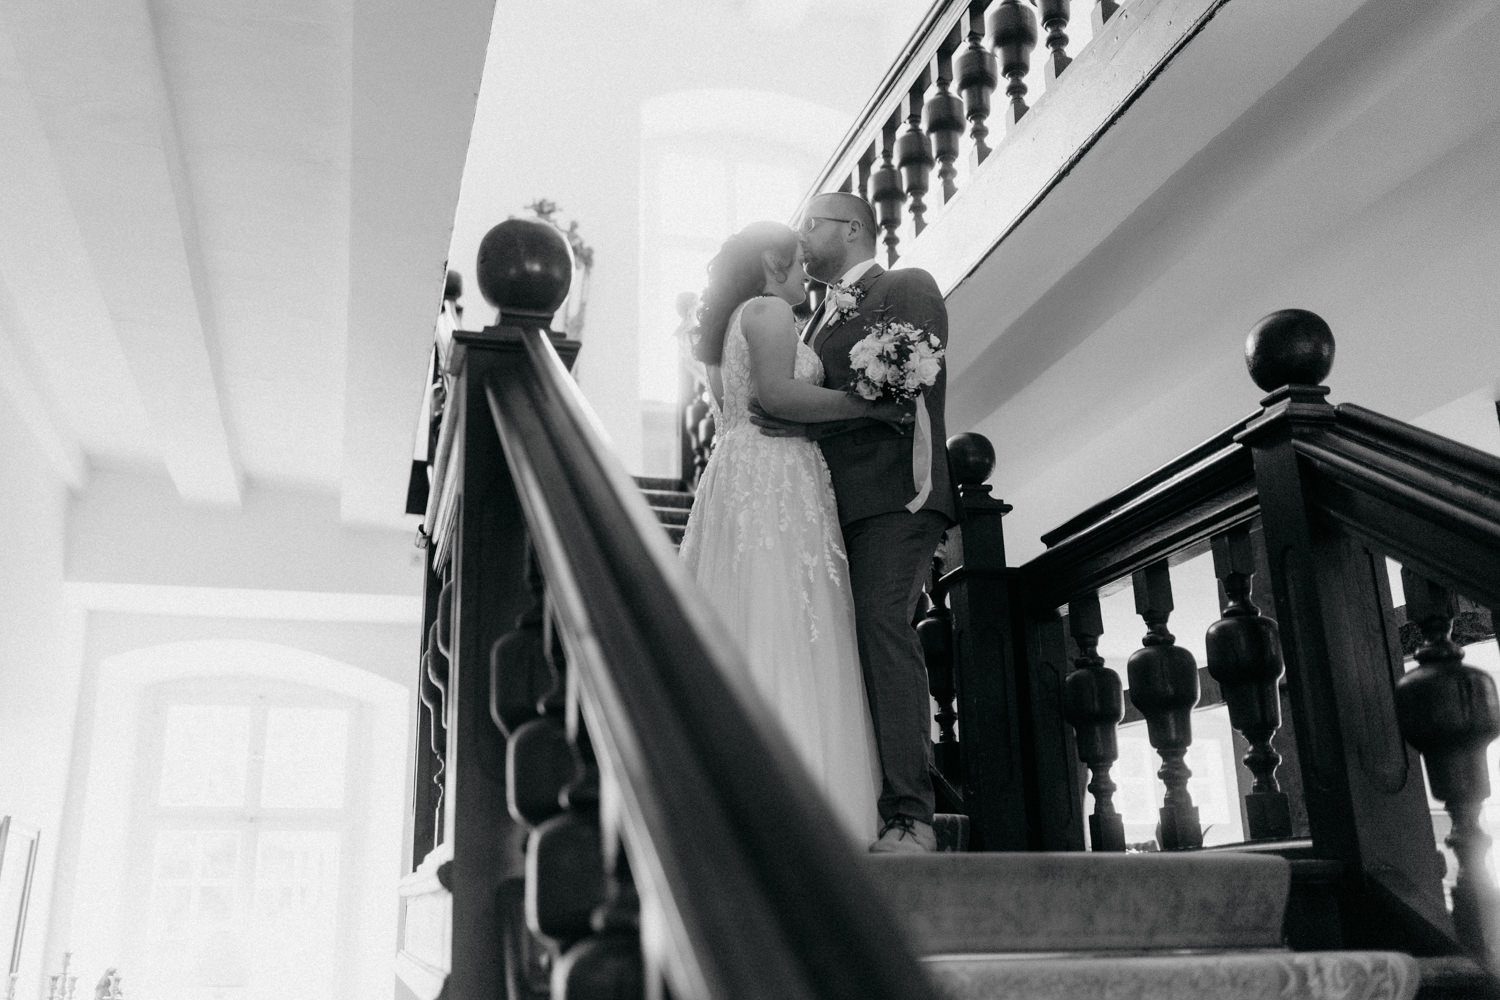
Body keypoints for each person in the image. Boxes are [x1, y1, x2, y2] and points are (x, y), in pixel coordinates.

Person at [677, 221, 908, 842]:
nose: (807, 272)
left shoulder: (729, 325)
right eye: (800, 261)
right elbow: (776, 397)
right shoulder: (769, 311)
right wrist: (872, 406)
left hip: (739, 476)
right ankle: (803, 811)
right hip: (776, 480)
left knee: (754, 613)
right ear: (772, 262)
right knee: (789, 619)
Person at [789, 192, 956, 853]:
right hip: (827, 510)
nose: (802, 238)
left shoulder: (905, 286)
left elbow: (907, 380)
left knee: (884, 626)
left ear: (852, 227)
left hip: (896, 499)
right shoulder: (811, 323)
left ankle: (914, 816)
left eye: (813, 225)